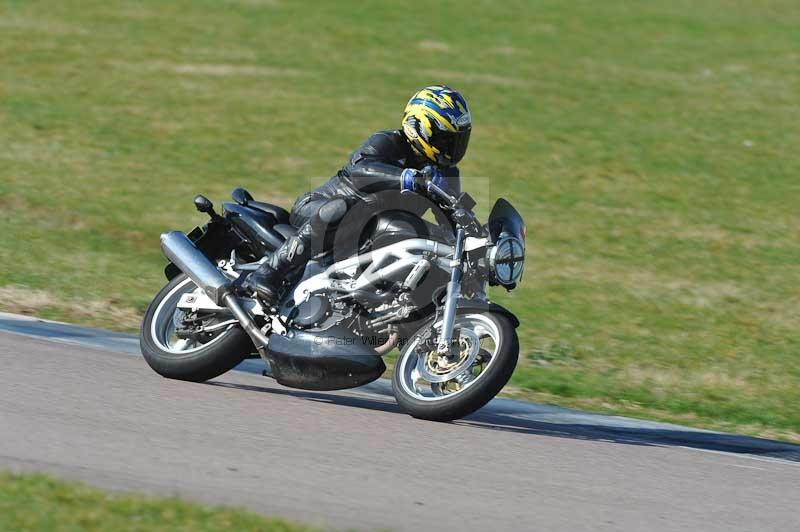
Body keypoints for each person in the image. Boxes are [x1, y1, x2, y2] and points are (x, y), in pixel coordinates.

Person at [243, 85, 472, 305]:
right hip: (318, 208)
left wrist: (477, 240)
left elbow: (452, 217)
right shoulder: (389, 142)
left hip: (365, 236)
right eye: (446, 139)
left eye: (458, 140)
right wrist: (409, 178)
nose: (453, 147)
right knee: (342, 208)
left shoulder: (446, 173)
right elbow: (360, 170)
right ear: (420, 127)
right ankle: (270, 271)